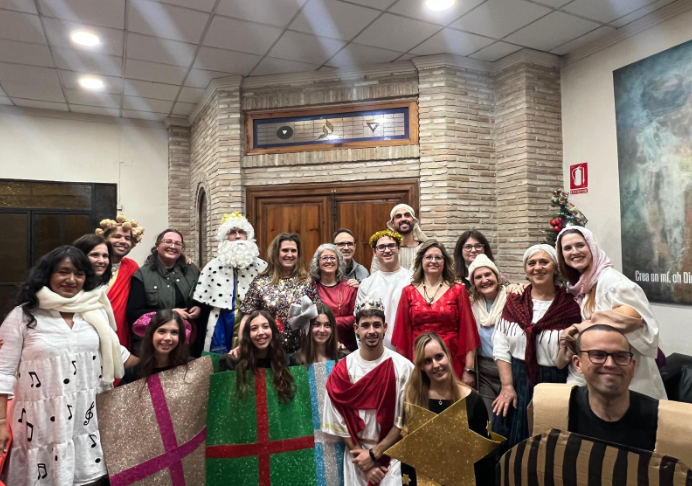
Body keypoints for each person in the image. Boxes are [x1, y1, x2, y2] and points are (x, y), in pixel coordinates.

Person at [0, 246, 136, 486]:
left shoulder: (94, 314)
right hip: (39, 424)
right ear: (47, 274)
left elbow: (124, 357)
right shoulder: (23, 316)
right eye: (63, 272)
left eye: (79, 273)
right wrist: (1, 423)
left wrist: (169, 349)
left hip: (86, 420)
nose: (71, 279)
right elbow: (3, 373)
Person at [556, 226, 667, 400]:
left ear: (592, 246)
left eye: (580, 245)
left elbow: (637, 320)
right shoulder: (585, 285)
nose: (574, 251)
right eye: (567, 248)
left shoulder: (612, 282)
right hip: (606, 377)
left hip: (632, 379)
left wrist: (582, 327)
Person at [492, 244, 582, 448]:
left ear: (555, 268)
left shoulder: (570, 307)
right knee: (512, 446)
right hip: (516, 382)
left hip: (555, 384)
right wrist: (507, 387)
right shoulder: (514, 303)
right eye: (532, 263)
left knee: (549, 448)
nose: (538, 267)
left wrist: (568, 395)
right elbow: (501, 345)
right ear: (526, 270)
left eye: (544, 262)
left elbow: (578, 355)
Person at [323, 299, 414, 486]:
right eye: (365, 325)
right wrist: (366, 464)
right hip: (357, 459)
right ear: (356, 328)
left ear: (385, 327)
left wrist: (375, 454)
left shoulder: (404, 368)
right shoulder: (343, 369)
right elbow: (338, 420)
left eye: (376, 325)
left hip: (392, 458)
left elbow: (405, 420)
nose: (371, 331)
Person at [401, 332, 494, 486]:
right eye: (427, 361)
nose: (436, 365)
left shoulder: (472, 400)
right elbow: (409, 457)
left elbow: (485, 457)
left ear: (448, 356)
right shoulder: (414, 401)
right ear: (422, 367)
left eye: (439, 357)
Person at [392, 240, 479, 387]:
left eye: (438, 257)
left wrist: (468, 369)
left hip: (451, 358)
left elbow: (468, 331)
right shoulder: (408, 291)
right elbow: (402, 333)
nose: (433, 261)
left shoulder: (458, 290)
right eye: (429, 257)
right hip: (419, 359)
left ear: (445, 261)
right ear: (421, 260)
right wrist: (404, 368)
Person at [193, 212, 267, 356]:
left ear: (248, 236)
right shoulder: (212, 267)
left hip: (254, 322)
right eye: (232, 232)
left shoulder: (262, 267)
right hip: (221, 322)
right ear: (225, 237)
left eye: (242, 232)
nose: (238, 236)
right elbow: (201, 303)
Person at [239, 233, 320, 354]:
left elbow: (317, 315)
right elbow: (247, 317)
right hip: (268, 352)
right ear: (276, 253)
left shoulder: (307, 281)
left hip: (301, 353)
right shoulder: (260, 282)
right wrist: (242, 346)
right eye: (285, 250)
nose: (289, 255)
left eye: (293, 251)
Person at [126, 229, 201, 356]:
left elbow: (202, 298)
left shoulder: (192, 270)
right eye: (168, 242)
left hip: (185, 341)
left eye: (178, 244)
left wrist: (199, 308)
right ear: (157, 246)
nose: (172, 246)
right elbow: (133, 313)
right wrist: (169, 313)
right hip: (152, 344)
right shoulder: (142, 275)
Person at [220, 310, 296, 404]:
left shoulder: (287, 362)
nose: (260, 332)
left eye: (265, 327)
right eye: (254, 328)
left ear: (272, 331)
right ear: (248, 335)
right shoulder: (232, 362)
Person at [94, 214, 145, 350]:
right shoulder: (88, 264)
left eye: (127, 238)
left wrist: (181, 260)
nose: (123, 241)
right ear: (104, 239)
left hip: (120, 333)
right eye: (117, 236)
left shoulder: (132, 266)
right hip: (90, 331)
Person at [355, 230, 412, 350]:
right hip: (376, 348)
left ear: (399, 249)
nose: (387, 250)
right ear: (374, 252)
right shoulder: (367, 284)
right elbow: (359, 318)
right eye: (381, 247)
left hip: (407, 345)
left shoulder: (412, 280)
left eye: (391, 246)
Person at [467, 254, 507, 418]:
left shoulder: (513, 299)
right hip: (484, 372)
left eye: (488, 274)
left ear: (496, 276)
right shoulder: (471, 305)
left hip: (510, 369)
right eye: (478, 277)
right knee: (488, 421)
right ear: (473, 283)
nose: (484, 280)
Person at [120, 309, 190, 385]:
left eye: (174, 332)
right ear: (151, 334)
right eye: (162, 331)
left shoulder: (192, 367)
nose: (168, 338)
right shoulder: (133, 374)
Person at [310, 244, 358, 351]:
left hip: (347, 347)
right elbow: (308, 318)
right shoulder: (311, 288)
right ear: (317, 262)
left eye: (332, 257)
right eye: (324, 258)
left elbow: (356, 317)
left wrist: (330, 321)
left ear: (338, 262)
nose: (329, 261)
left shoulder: (350, 287)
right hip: (318, 346)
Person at [370, 204, 427, 273]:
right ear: (392, 223)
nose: (403, 219)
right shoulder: (385, 250)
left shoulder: (424, 248)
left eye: (407, 215)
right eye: (398, 216)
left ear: (414, 220)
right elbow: (375, 275)